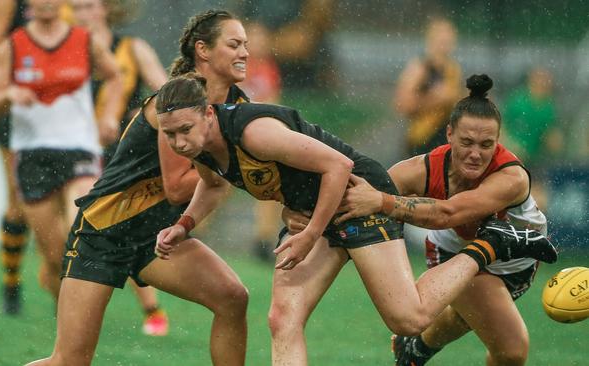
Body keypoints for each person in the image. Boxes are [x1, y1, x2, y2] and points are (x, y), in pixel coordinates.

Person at [154, 74, 557, 365]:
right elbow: (212, 184)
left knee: (412, 319)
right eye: (170, 135)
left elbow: (343, 167)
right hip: (329, 212)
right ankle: (425, 337)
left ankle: (492, 243)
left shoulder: (253, 132)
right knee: (282, 317)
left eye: (486, 144)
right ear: (449, 135)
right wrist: (185, 225)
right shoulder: (201, 143)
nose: (178, 143)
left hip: (366, 202)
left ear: (208, 114)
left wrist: (320, 226)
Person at [25, 9, 250, 365]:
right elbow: (177, 188)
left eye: (246, 45)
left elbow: (229, 179)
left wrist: (293, 201)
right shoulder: (175, 99)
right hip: (102, 234)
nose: (245, 53)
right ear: (203, 50)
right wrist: (234, 169)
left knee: (232, 297)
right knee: (69, 361)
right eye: (234, 44)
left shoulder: (239, 107)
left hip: (155, 240)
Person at [335, 74, 552, 366]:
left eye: (486, 145)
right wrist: (307, 217)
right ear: (449, 134)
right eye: (467, 142)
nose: (476, 154)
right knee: (511, 351)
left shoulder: (511, 177)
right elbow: (359, 192)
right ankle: (416, 347)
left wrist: (382, 202)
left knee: (467, 317)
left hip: (521, 261)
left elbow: (449, 213)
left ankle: (416, 348)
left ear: (498, 142)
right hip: (459, 256)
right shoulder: (419, 169)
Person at [0, 0, 124, 302]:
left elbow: (115, 77)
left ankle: (82, 317)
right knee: (54, 257)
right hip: (32, 154)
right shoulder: (14, 45)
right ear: (30, 4)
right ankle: (68, 319)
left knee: (81, 229)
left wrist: (110, 116)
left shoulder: (84, 40)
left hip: (79, 148)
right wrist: (9, 94)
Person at [70, 0, 170, 337]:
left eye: (88, 7)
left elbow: (167, 92)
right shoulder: (67, 51)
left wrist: (143, 113)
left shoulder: (132, 48)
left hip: (122, 157)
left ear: (104, 10)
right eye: (76, 8)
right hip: (76, 153)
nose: (82, 14)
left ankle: (151, 310)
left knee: (118, 231)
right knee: (66, 238)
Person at [0, 0, 71, 315]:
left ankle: (57, 275)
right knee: (20, 203)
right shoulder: (9, 3)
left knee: (67, 205)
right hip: (23, 115)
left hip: (70, 116)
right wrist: (37, 47)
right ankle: (12, 283)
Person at [238, 21, 283, 262]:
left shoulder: (268, 68)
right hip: (234, 135)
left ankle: (263, 239)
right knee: (213, 184)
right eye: (254, 37)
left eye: (263, 37)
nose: (260, 42)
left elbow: (274, 104)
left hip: (257, 136)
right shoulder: (237, 67)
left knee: (272, 185)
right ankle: (194, 231)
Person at [395, 17, 462, 157]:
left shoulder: (453, 68)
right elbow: (402, 104)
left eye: (449, 37)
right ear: (430, 40)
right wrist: (435, 99)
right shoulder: (419, 67)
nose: (445, 42)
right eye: (441, 38)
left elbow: (455, 100)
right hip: (423, 139)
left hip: (447, 138)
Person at [502, 67, 562, 212]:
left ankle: (532, 232)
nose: (544, 83)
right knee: (509, 201)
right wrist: (511, 145)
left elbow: (552, 137)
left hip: (535, 161)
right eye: (540, 79)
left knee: (540, 204)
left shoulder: (548, 107)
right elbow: (500, 127)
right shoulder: (517, 101)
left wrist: (554, 140)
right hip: (512, 161)